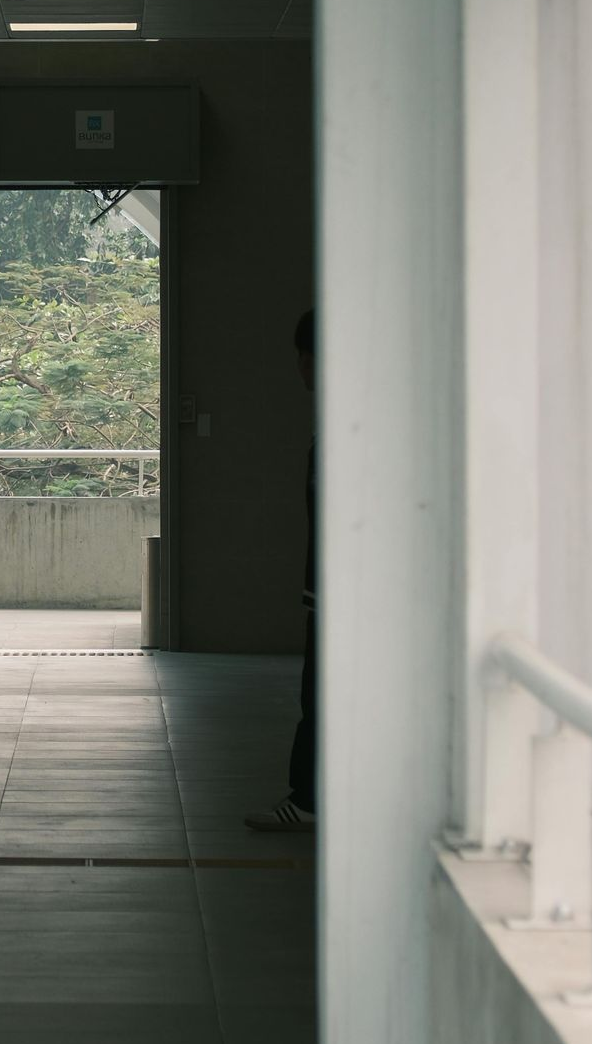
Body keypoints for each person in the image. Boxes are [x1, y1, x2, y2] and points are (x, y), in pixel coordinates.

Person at [247, 307, 316, 832]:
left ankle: (309, 800)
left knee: (320, 695)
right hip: (337, 592)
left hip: (341, 595)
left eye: (303, 355)